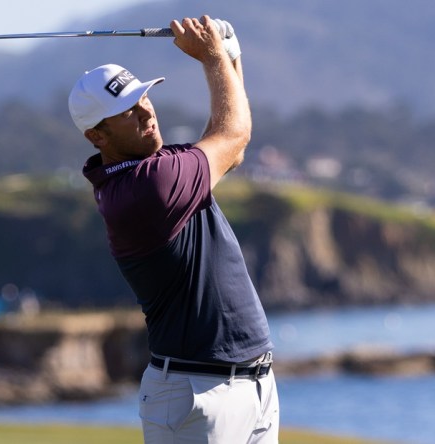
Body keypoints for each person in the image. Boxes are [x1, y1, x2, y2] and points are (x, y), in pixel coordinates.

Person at [68, 15, 278, 443]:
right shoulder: (149, 188)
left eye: (144, 97)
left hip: (250, 385)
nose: (146, 111)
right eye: (126, 111)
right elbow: (233, 135)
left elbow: (229, 150)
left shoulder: (150, 169)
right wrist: (216, 56)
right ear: (96, 135)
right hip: (197, 395)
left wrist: (229, 56)